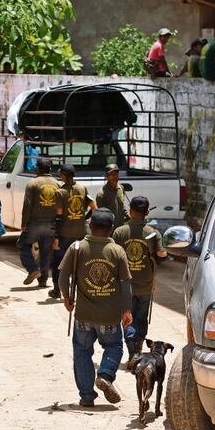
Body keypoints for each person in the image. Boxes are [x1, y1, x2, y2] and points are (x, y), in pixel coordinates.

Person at [59, 208, 133, 407]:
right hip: (109, 316)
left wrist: (66, 297)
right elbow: (125, 284)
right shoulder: (117, 251)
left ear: (90, 226)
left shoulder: (77, 248)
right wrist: (127, 310)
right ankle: (105, 375)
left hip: (83, 315)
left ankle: (87, 396)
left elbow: (63, 276)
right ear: (111, 229)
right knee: (114, 346)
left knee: (82, 352)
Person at [112, 196, 167, 369]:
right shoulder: (153, 233)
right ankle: (137, 349)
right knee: (141, 319)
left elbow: (113, 256)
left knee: (127, 318)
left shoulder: (120, 232)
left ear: (130, 211)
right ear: (147, 212)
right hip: (145, 284)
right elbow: (162, 254)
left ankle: (132, 353)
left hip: (124, 284)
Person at [49, 164, 96, 299]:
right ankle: (80, 290)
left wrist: (56, 236)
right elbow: (94, 207)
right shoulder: (82, 188)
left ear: (64, 175)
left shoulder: (60, 193)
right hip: (80, 233)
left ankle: (57, 289)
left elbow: (58, 216)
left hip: (64, 234)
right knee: (80, 262)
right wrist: (83, 218)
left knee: (60, 263)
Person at [19, 157, 59, 286]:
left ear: (38, 169)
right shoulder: (57, 183)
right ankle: (43, 280)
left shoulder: (33, 183)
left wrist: (24, 223)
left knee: (23, 246)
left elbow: (27, 204)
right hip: (51, 223)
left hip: (35, 223)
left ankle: (33, 269)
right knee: (46, 252)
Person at [95, 163, 128, 229]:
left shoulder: (121, 188)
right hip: (108, 230)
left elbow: (121, 204)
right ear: (106, 177)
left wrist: (127, 213)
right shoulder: (101, 194)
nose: (114, 177)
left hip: (121, 228)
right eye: (111, 175)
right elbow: (101, 216)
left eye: (116, 174)